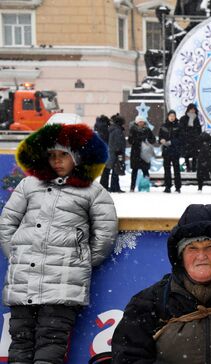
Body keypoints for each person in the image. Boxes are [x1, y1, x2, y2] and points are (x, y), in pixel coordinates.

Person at [0, 123, 118, 363]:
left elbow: (105, 234)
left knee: (51, 342)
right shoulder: (29, 185)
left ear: (77, 156)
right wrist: (17, 255)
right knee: (20, 341)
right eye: (51, 155)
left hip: (63, 285)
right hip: (23, 280)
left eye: (63, 154)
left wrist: (80, 260)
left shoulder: (93, 192)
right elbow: (7, 223)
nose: (57, 161)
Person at [112, 204, 211, 363]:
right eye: (192, 248)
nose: (201, 256)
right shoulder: (149, 303)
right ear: (181, 257)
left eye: (210, 247)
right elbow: (128, 357)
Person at [128, 115, 156, 192]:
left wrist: (147, 140)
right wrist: (138, 140)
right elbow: (130, 141)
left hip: (145, 153)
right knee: (134, 171)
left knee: (145, 170)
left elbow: (153, 140)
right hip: (135, 153)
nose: (141, 123)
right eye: (139, 121)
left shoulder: (147, 129)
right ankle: (132, 187)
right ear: (136, 122)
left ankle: (146, 186)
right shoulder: (133, 129)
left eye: (142, 121)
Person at [100, 114, 126, 193]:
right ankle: (114, 187)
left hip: (111, 152)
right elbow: (118, 142)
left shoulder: (112, 129)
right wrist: (119, 151)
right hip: (116, 152)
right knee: (116, 169)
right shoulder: (117, 130)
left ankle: (104, 185)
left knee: (108, 169)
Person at [158, 110, 182, 193]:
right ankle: (167, 186)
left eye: (173, 116)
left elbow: (181, 138)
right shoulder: (163, 126)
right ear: (168, 117)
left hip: (175, 151)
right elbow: (160, 136)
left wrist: (171, 142)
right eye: (170, 116)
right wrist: (161, 140)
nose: (172, 117)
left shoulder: (178, 126)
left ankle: (178, 187)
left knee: (176, 170)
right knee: (167, 170)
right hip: (166, 151)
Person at [179, 103, 202, 172]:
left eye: (193, 110)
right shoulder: (183, 118)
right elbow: (181, 129)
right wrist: (186, 135)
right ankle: (188, 168)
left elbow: (198, 129)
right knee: (186, 156)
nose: (192, 111)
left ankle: (194, 169)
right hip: (186, 140)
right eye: (191, 109)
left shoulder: (196, 119)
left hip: (194, 140)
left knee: (195, 156)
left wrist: (197, 137)